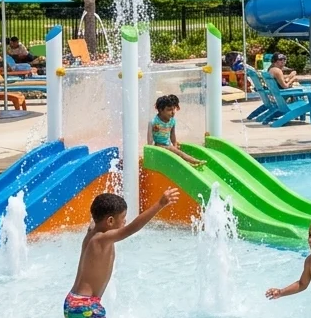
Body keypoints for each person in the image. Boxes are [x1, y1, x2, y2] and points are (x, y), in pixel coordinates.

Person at [64, 188, 179, 318]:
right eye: (123, 218)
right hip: (84, 306)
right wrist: (160, 204)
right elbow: (131, 229)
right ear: (110, 221)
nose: (125, 221)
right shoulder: (101, 239)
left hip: (74, 301)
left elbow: (99, 214)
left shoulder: (92, 231)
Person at [147, 95, 205, 167]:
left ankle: (187, 163)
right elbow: (150, 142)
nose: (173, 112)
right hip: (158, 146)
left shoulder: (172, 121)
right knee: (176, 151)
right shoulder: (154, 122)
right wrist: (153, 153)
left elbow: (172, 136)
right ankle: (192, 161)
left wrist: (175, 146)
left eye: (174, 109)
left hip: (167, 145)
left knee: (176, 149)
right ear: (161, 110)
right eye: (169, 110)